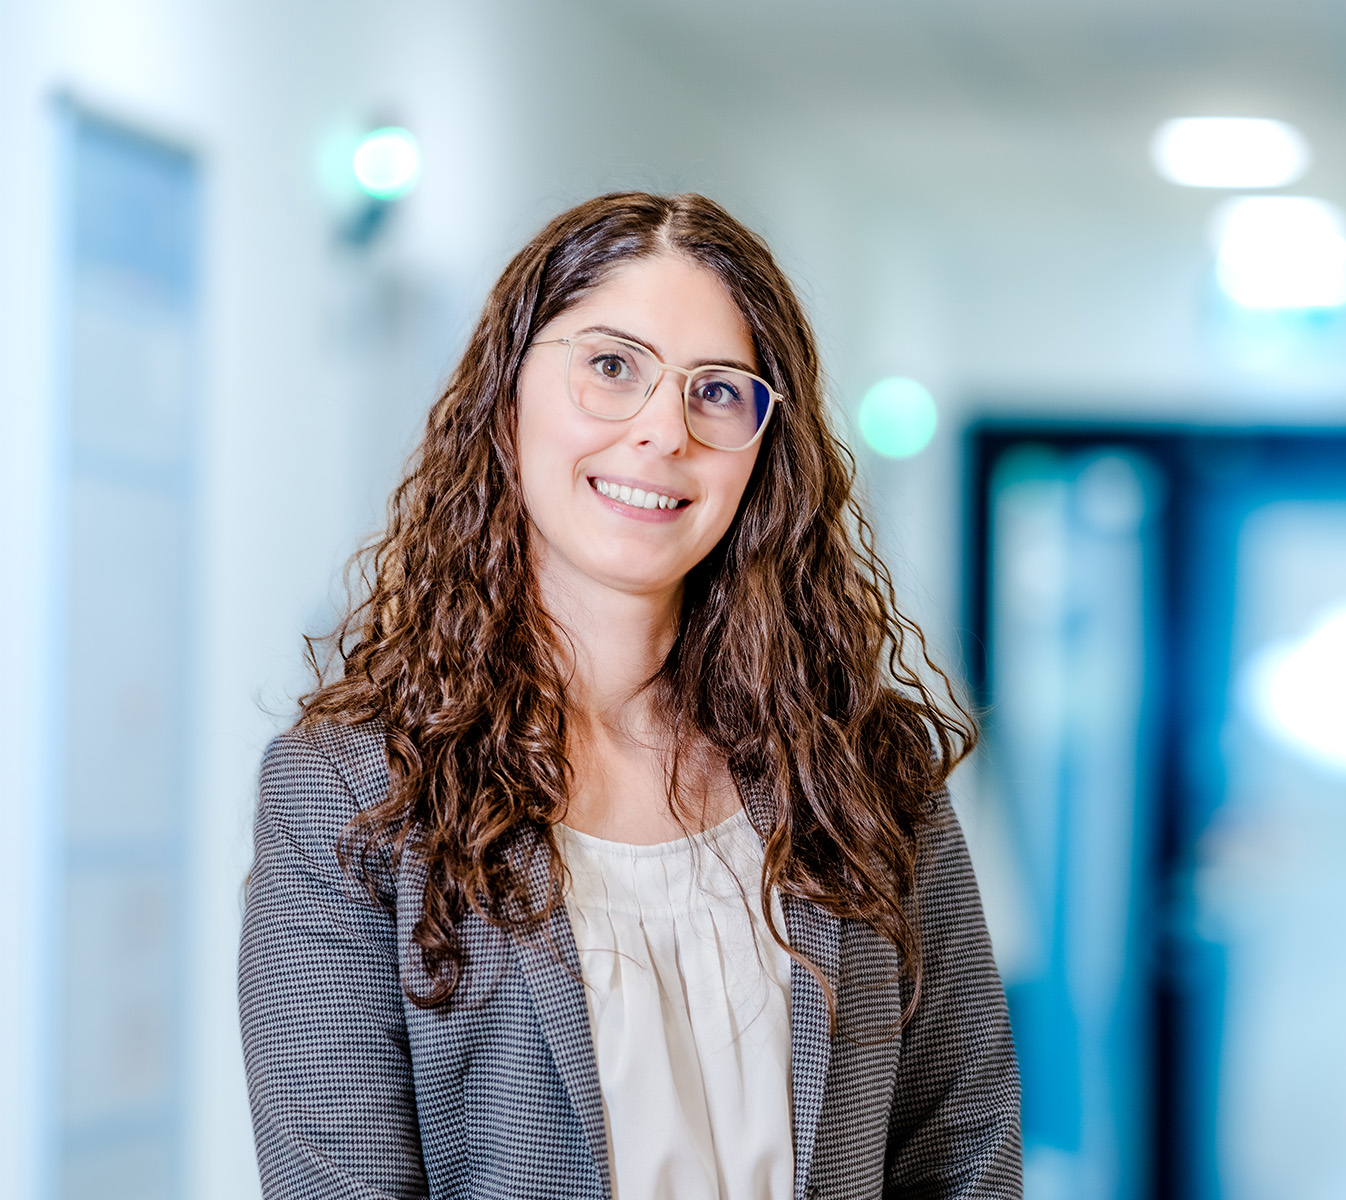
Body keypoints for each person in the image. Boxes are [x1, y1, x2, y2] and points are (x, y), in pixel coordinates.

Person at [238, 192, 1021, 1200]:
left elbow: (960, 1150)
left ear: (763, 453)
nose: (663, 433)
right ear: (507, 397)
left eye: (717, 392)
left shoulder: (864, 773)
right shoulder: (350, 796)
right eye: (612, 367)